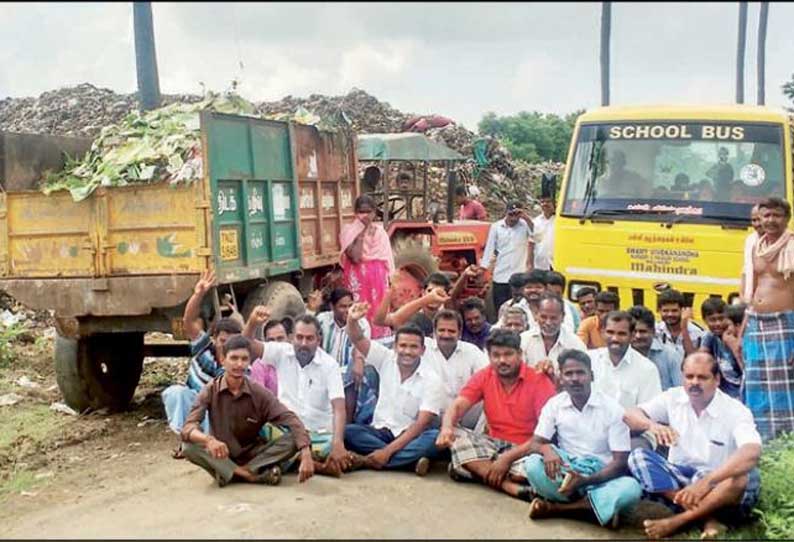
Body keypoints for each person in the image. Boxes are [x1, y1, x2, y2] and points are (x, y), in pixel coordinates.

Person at [625, 352, 762, 540]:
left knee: (741, 478)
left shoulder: (735, 410)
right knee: (638, 457)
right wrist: (653, 426)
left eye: (702, 377)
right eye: (689, 377)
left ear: (717, 380)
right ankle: (707, 518)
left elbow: (752, 452)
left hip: (715, 484)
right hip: (680, 481)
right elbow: (630, 415)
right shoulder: (673, 398)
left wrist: (707, 482)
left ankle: (678, 521)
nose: (694, 382)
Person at [524, 349, 642, 528]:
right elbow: (536, 442)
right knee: (532, 464)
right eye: (568, 374)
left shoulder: (612, 409)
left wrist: (586, 480)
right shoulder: (554, 405)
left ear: (591, 376)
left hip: (600, 476)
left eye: (580, 372)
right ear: (561, 378)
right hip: (567, 470)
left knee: (631, 487)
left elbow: (619, 463)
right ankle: (592, 508)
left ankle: (557, 508)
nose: (574, 378)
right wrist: (547, 450)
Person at [435, 329, 556, 501]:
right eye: (496, 355)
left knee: (534, 470)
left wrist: (507, 459)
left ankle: (472, 470)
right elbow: (457, 406)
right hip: (491, 445)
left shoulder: (538, 380)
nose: (502, 361)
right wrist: (446, 429)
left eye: (508, 354)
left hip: (527, 449)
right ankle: (509, 487)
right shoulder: (485, 375)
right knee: (455, 434)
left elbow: (545, 435)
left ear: (520, 354)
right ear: (489, 356)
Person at [180, 335, 314, 487]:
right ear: (223, 360)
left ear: (250, 361)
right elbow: (188, 427)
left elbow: (290, 419)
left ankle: (236, 472)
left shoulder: (259, 393)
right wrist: (209, 440)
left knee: (294, 439)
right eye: (234, 358)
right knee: (188, 446)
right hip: (221, 455)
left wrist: (306, 453)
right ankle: (248, 475)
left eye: (244, 359)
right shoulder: (210, 390)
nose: (239, 364)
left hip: (254, 456)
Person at [244, 310, 353, 477]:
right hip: (286, 431)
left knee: (331, 449)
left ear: (319, 340)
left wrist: (338, 443)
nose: (303, 343)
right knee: (256, 426)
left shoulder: (330, 365)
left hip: (317, 435)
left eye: (309, 338)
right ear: (292, 337)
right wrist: (252, 323)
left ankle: (284, 461)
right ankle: (316, 466)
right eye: (299, 337)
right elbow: (246, 343)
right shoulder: (282, 352)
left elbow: (339, 408)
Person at [345, 303, 444, 475]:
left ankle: (365, 461)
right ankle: (407, 463)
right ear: (395, 346)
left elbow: (421, 425)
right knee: (348, 432)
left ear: (422, 350)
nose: (407, 351)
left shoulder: (432, 379)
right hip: (380, 432)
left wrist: (387, 452)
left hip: (410, 436)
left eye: (413, 347)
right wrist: (352, 320)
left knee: (433, 438)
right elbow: (358, 339)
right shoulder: (385, 359)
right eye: (403, 346)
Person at [162, 270, 245, 457]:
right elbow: (188, 321)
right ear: (214, 339)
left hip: (219, 411)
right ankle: (187, 440)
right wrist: (198, 293)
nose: (227, 345)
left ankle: (208, 444)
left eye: (232, 341)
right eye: (223, 341)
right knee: (176, 393)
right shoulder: (202, 348)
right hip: (195, 404)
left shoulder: (238, 362)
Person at [742, 197, 794, 441]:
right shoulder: (755, 245)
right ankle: (759, 442)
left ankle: (786, 445)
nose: (771, 220)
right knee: (755, 384)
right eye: (766, 216)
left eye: (777, 215)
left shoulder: (792, 245)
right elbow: (751, 290)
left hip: (786, 325)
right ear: (759, 219)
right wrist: (744, 329)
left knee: (785, 387)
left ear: (787, 218)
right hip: (756, 323)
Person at [315, 287, 380, 425]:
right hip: (325, 368)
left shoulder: (361, 323)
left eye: (350, 305)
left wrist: (358, 361)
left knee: (356, 374)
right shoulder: (322, 320)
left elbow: (361, 349)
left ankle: (347, 425)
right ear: (332, 307)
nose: (347, 310)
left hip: (346, 371)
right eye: (342, 306)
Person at [339, 195, 395, 339]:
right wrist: (361, 233)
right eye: (361, 212)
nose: (364, 216)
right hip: (358, 283)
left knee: (377, 313)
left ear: (374, 213)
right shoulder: (348, 231)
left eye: (368, 212)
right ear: (355, 213)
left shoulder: (380, 233)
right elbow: (356, 257)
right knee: (358, 311)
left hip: (378, 284)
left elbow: (387, 262)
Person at [422, 309, 489, 429]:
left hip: (468, 422)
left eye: (451, 331)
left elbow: (489, 378)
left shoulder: (472, 351)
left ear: (460, 333)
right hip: (430, 422)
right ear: (433, 332)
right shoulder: (422, 349)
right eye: (442, 330)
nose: (446, 335)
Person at [481, 201, 535, 313]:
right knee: (501, 308)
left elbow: (537, 235)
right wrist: (484, 269)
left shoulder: (525, 226)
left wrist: (526, 217)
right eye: (511, 214)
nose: (513, 218)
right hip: (500, 276)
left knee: (519, 308)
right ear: (506, 213)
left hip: (518, 276)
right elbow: (490, 249)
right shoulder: (496, 227)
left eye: (516, 215)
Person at [521, 293, 587, 375]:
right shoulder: (523, 340)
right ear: (536, 315)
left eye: (553, 318)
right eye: (543, 317)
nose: (548, 322)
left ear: (563, 317)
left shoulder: (576, 344)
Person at [375, 272, 452, 338]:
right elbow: (379, 321)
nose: (433, 295)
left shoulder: (449, 317)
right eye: (430, 291)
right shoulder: (408, 312)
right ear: (423, 292)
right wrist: (389, 292)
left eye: (439, 292)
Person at [628, 306, 683, 391]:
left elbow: (680, 390)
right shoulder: (622, 355)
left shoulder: (670, 356)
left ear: (653, 332)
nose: (637, 336)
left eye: (643, 331)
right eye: (634, 331)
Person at [698, 298, 743, 400]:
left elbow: (747, 370)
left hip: (743, 392)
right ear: (705, 320)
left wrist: (732, 345)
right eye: (712, 320)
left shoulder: (736, 335)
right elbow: (701, 361)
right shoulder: (710, 336)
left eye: (721, 318)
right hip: (724, 394)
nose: (718, 323)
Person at [655, 289, 705, 357]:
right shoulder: (655, 330)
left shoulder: (698, 333)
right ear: (659, 311)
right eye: (665, 311)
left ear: (682, 310)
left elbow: (694, 359)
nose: (670, 314)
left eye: (674, 311)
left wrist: (684, 328)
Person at [740, 204, 763, 303]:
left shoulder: (780, 241)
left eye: (760, 219)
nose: (757, 224)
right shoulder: (750, 239)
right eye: (754, 220)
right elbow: (746, 270)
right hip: (749, 302)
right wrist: (742, 295)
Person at [532, 194, 556, 272]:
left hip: (556, 265)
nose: (545, 204)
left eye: (548, 201)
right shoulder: (535, 222)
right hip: (540, 265)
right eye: (542, 202)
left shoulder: (560, 221)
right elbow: (532, 242)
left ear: (554, 203)